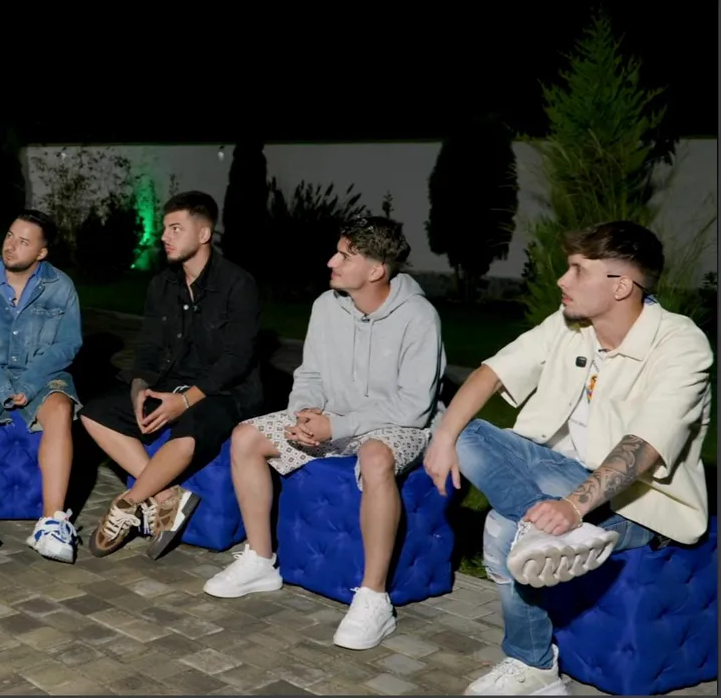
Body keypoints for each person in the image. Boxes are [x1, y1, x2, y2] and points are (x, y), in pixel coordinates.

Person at [423, 222, 713, 695]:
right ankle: (539, 527)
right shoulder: (567, 324)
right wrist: (443, 439)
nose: (563, 280)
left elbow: (645, 445)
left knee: (502, 529)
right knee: (461, 430)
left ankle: (534, 667)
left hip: (636, 502)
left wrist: (572, 508)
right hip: (555, 474)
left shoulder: (681, 344)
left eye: (579, 270)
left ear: (621, 285)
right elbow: (491, 372)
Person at [203, 215, 445, 650]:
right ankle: (260, 560)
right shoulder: (326, 306)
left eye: (345, 256)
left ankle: (373, 598)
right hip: (333, 417)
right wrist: (304, 412)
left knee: (375, 456)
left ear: (376, 270)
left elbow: (413, 405)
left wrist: (340, 426)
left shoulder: (419, 317)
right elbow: (310, 373)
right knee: (246, 437)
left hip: (399, 425)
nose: (332, 261)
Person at [79, 191, 262, 559]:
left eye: (176, 229)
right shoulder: (162, 284)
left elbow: (236, 360)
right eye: (165, 229)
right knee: (93, 413)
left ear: (204, 234)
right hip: (170, 383)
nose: (165, 237)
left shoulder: (237, 284)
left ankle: (128, 504)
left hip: (224, 392)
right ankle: (166, 497)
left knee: (189, 430)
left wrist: (185, 401)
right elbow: (148, 348)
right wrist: (139, 388)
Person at [0, 211, 83, 564]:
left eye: (24, 242)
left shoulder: (61, 286)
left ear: (41, 252)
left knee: (60, 407)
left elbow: (67, 344)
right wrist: (1, 384)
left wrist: (29, 382)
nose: (11, 246)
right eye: (10, 235)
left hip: (41, 371)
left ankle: (52, 523)